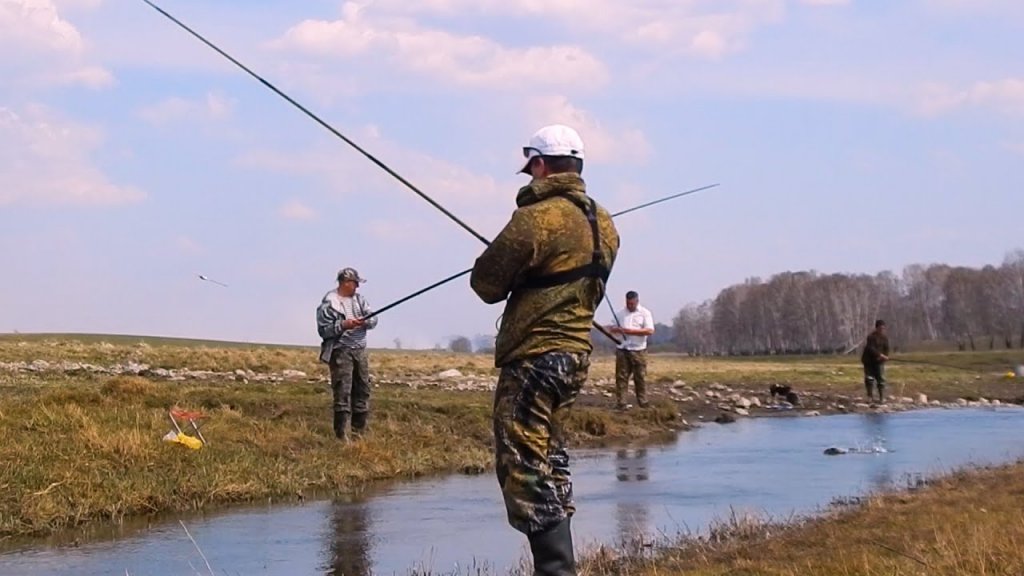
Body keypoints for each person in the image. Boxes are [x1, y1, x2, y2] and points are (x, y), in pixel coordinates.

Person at [470, 124, 620, 576]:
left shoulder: (536, 218)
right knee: (549, 457)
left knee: (522, 462)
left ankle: (556, 571)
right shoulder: (605, 222)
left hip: (535, 355)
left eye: (529, 169)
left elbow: (486, 284)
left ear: (538, 164)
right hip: (574, 356)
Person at [316, 267, 378, 441]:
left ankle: (359, 435)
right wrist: (344, 325)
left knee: (363, 390)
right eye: (354, 283)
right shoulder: (330, 302)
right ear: (345, 282)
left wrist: (366, 321)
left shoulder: (360, 300)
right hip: (340, 352)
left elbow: (373, 318)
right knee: (343, 392)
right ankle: (341, 436)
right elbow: (324, 330)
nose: (357, 287)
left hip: (360, 352)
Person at [606, 291, 655, 410]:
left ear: (637, 301)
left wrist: (628, 331)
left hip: (639, 350)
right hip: (623, 349)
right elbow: (610, 328)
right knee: (621, 377)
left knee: (640, 377)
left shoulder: (645, 313)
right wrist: (615, 330)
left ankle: (643, 402)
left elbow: (649, 331)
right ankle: (621, 403)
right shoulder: (620, 314)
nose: (630, 306)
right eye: (628, 304)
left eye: (632, 304)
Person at [861, 319, 890, 403]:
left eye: (883, 328)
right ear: (877, 328)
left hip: (879, 362)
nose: (882, 330)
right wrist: (879, 355)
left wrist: (886, 356)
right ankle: (870, 397)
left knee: (881, 379)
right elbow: (871, 348)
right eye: (880, 328)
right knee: (869, 378)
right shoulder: (871, 337)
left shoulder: (885, 338)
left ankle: (881, 398)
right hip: (869, 361)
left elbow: (886, 348)